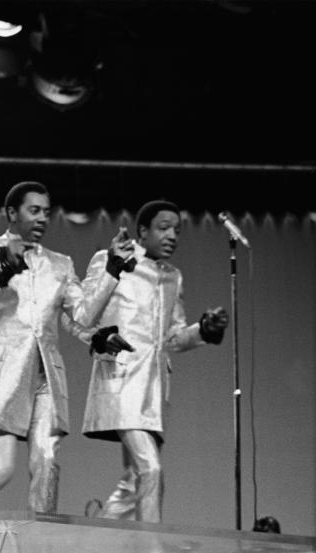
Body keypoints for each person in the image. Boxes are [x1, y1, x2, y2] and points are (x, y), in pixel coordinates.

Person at [0, 181, 135, 513]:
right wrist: (3, 274)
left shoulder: (59, 264)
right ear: (11, 213)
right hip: (1, 373)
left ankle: (40, 547)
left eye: (46, 212)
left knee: (47, 459)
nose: (42, 218)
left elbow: (83, 314)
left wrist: (112, 269)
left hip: (46, 375)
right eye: (34, 210)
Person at [79, 199, 228, 523]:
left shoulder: (173, 276)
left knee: (136, 480)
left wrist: (202, 330)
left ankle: (95, 542)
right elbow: (84, 315)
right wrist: (111, 271)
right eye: (164, 228)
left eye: (177, 229)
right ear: (142, 231)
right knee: (151, 468)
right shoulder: (111, 260)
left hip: (153, 390)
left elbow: (172, 337)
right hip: (120, 379)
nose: (172, 235)